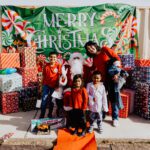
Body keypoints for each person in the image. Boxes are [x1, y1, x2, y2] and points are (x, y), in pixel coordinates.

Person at [84, 41, 121, 125]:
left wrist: (117, 73)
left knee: (113, 97)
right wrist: (83, 65)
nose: (91, 49)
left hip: (112, 77)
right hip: (102, 80)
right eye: (88, 49)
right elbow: (93, 68)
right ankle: (103, 115)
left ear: (95, 45)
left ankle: (115, 118)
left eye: (91, 47)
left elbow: (117, 58)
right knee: (103, 97)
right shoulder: (94, 57)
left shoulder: (104, 49)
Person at [107, 58, 129, 127]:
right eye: (116, 64)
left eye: (118, 65)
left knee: (115, 104)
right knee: (105, 103)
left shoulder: (119, 70)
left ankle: (115, 118)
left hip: (115, 90)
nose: (117, 66)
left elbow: (126, 74)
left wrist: (121, 74)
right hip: (108, 87)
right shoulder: (110, 68)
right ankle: (102, 116)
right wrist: (118, 71)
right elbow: (111, 71)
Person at [39, 52, 62, 118]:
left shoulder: (58, 65)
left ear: (56, 58)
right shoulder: (46, 66)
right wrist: (41, 85)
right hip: (46, 85)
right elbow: (43, 76)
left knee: (52, 101)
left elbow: (60, 76)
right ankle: (42, 115)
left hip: (54, 86)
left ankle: (50, 114)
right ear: (49, 58)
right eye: (51, 57)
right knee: (44, 100)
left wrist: (58, 86)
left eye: (54, 57)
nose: (53, 58)